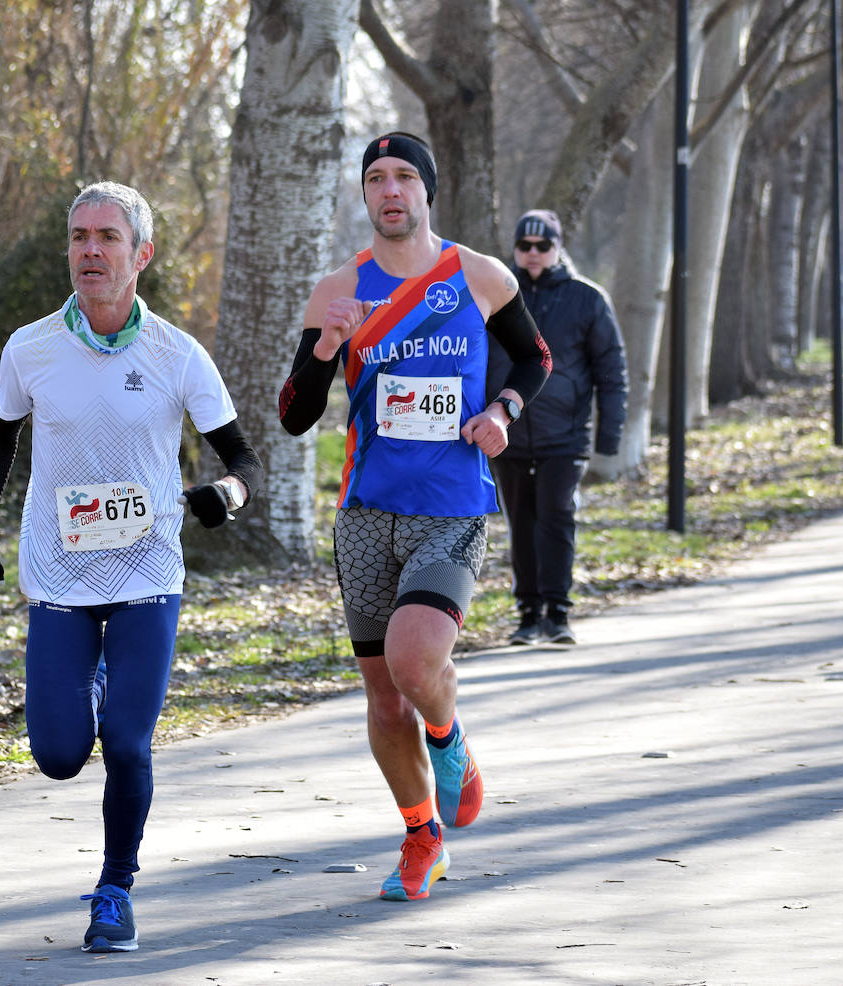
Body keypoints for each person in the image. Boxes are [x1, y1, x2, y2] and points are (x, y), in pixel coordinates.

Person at [0, 181, 263, 953]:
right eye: (79, 237)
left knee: (127, 742)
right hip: (59, 573)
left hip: (148, 572)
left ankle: (114, 891)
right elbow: (0, 438)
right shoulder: (31, 347)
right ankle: (91, 683)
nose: (90, 251)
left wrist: (222, 495)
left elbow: (243, 459)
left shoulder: (177, 354)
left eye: (107, 238)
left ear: (142, 256)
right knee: (60, 756)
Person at [278, 133, 551, 902]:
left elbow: (535, 359)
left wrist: (503, 408)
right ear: (365, 196)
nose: (390, 190)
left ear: (428, 190)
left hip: (453, 505)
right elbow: (295, 416)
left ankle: (449, 732)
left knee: (414, 660)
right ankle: (421, 835)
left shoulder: (479, 275)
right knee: (382, 695)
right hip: (366, 512)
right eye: (375, 179)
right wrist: (329, 344)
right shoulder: (339, 289)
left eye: (404, 177)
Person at [487, 210, 627, 647]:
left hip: (565, 436)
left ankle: (558, 613)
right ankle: (528, 615)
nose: (533, 254)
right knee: (520, 523)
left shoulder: (587, 298)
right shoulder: (493, 293)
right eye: (524, 246)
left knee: (557, 517)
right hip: (505, 431)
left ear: (558, 247)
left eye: (543, 246)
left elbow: (611, 371)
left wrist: (609, 438)